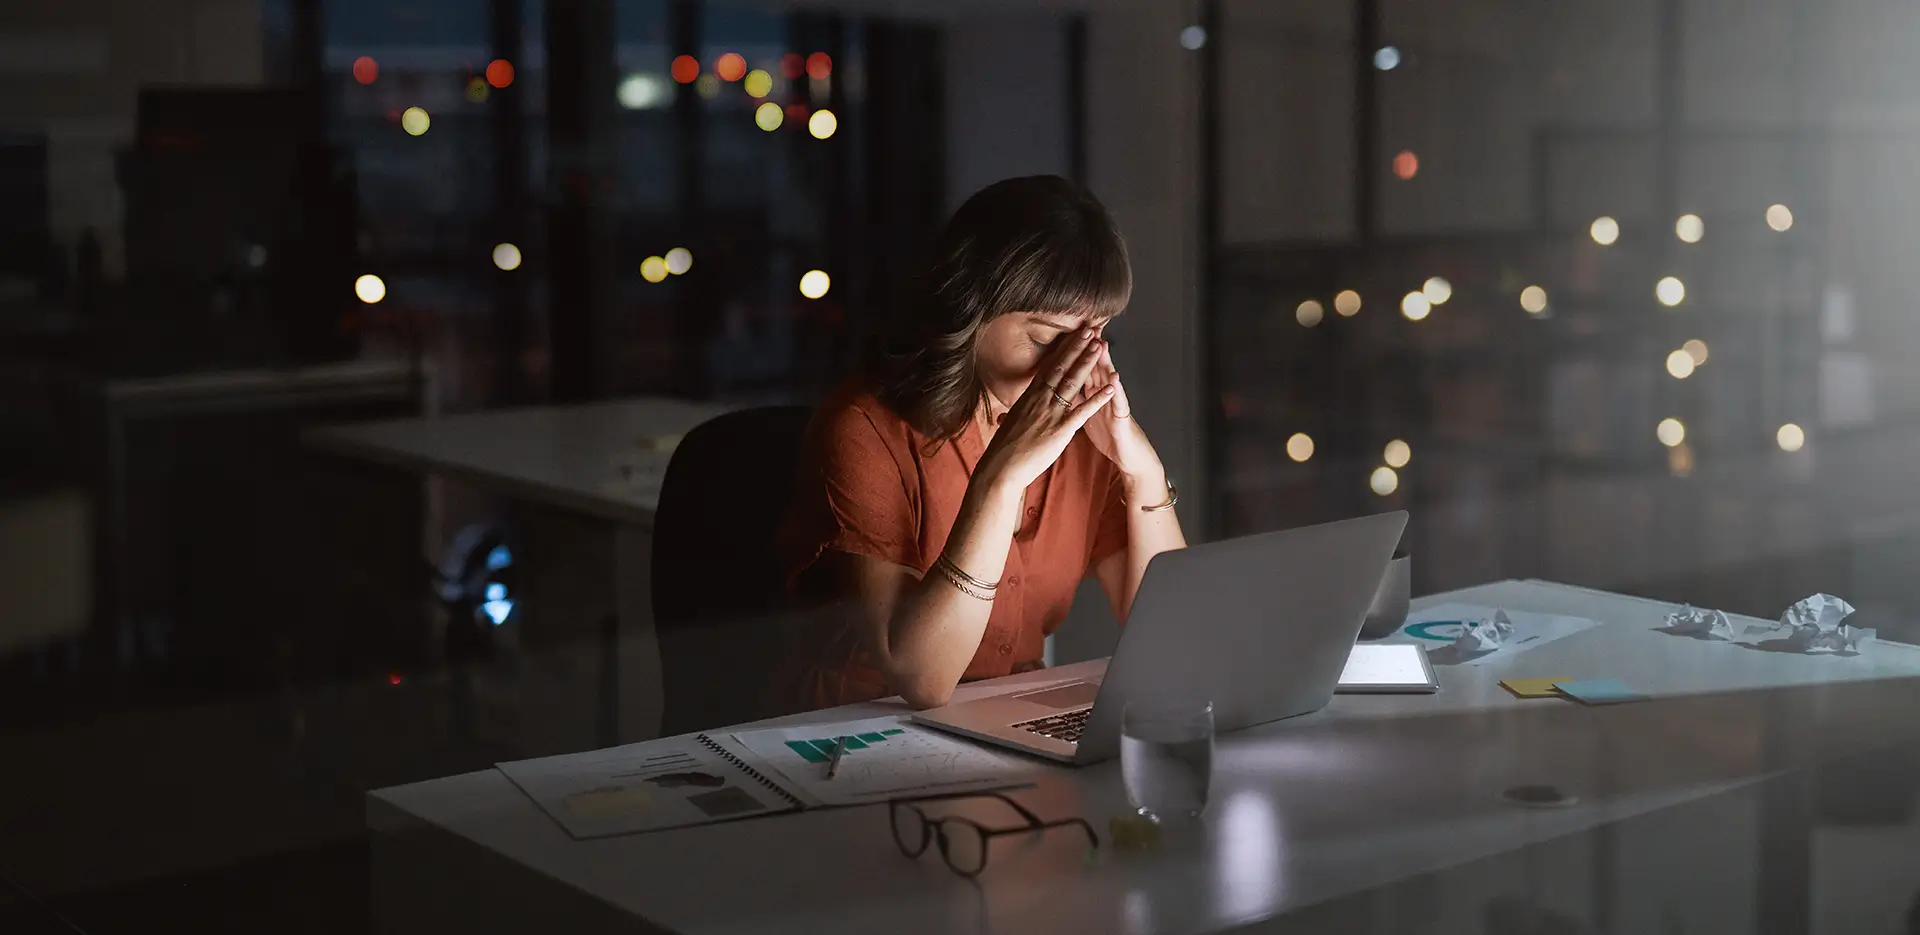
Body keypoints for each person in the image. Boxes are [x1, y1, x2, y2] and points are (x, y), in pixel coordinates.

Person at [775, 175, 1188, 711]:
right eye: (1046, 338)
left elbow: (1173, 640)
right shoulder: (863, 428)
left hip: (1003, 721)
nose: (1074, 363)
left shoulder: (1086, 438)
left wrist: (1143, 473)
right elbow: (922, 679)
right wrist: (1004, 476)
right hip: (854, 737)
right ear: (971, 310)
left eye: (1096, 334)